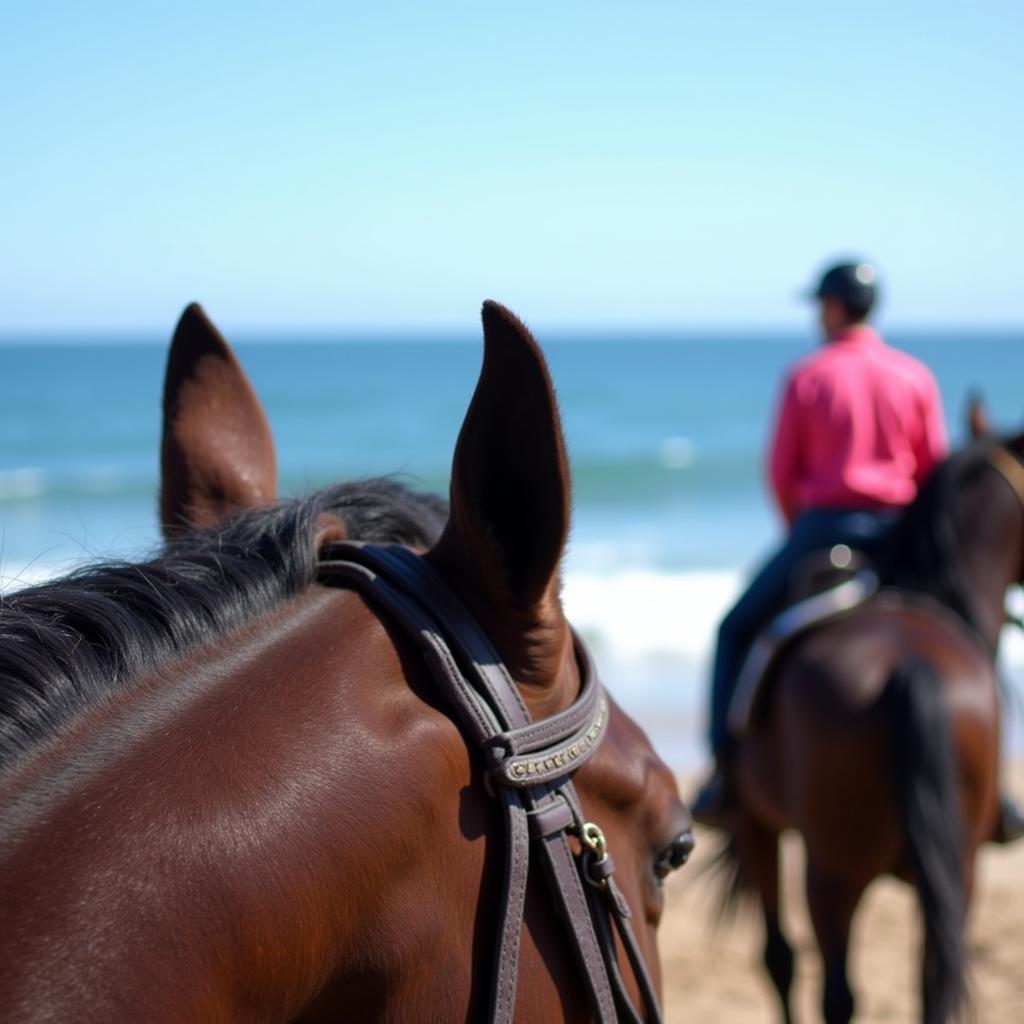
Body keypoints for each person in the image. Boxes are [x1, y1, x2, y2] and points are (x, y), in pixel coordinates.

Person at [691, 260, 1023, 841]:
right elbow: (931, 471)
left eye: (821, 305)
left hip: (824, 528)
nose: (819, 316)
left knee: (735, 629)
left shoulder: (807, 376)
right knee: (971, 643)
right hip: (900, 535)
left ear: (836, 308)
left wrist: (804, 529)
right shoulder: (915, 375)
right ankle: (992, 789)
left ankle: (724, 774)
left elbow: (781, 471)